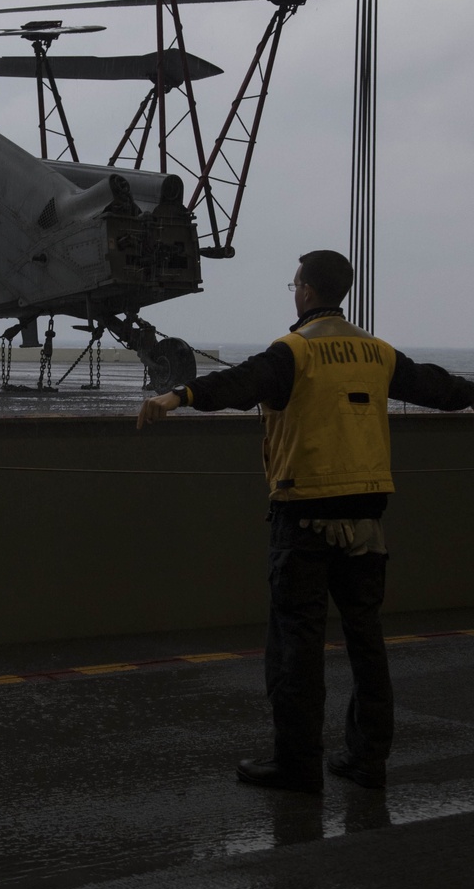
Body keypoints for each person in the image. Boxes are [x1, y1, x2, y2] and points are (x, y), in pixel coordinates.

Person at [137, 249, 474, 795]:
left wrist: (176, 396)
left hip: (305, 519)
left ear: (308, 292)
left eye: (294, 284)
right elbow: (442, 390)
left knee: (297, 646)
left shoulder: (294, 350)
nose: (293, 291)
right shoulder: (377, 352)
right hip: (367, 522)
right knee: (367, 643)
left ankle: (296, 765)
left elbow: (240, 385)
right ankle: (368, 761)